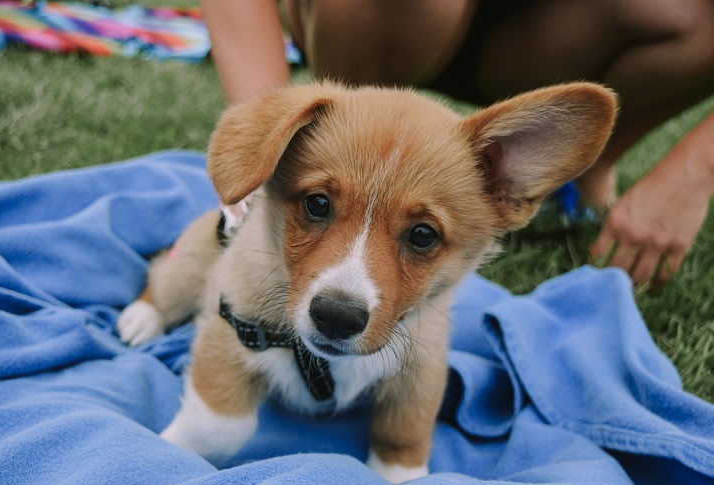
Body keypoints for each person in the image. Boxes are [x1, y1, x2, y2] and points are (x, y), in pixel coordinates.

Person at [201, 0, 714, 290]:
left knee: (690, 16)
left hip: (549, 32)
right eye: (317, 205)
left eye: (422, 236)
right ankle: (344, 148)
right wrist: (259, 153)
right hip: (391, 18)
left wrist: (696, 171)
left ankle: (588, 165)